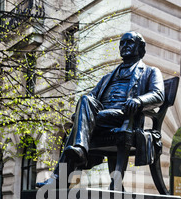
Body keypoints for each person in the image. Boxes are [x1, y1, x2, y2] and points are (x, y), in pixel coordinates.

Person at [36, 31, 165, 188]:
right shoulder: (107, 77)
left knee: (79, 125)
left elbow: (158, 95)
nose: (124, 46)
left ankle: (60, 176)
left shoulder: (150, 72)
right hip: (101, 118)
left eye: (129, 42)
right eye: (122, 43)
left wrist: (138, 100)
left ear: (140, 47)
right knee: (84, 100)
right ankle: (79, 151)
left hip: (124, 116)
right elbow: (90, 99)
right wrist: (79, 114)